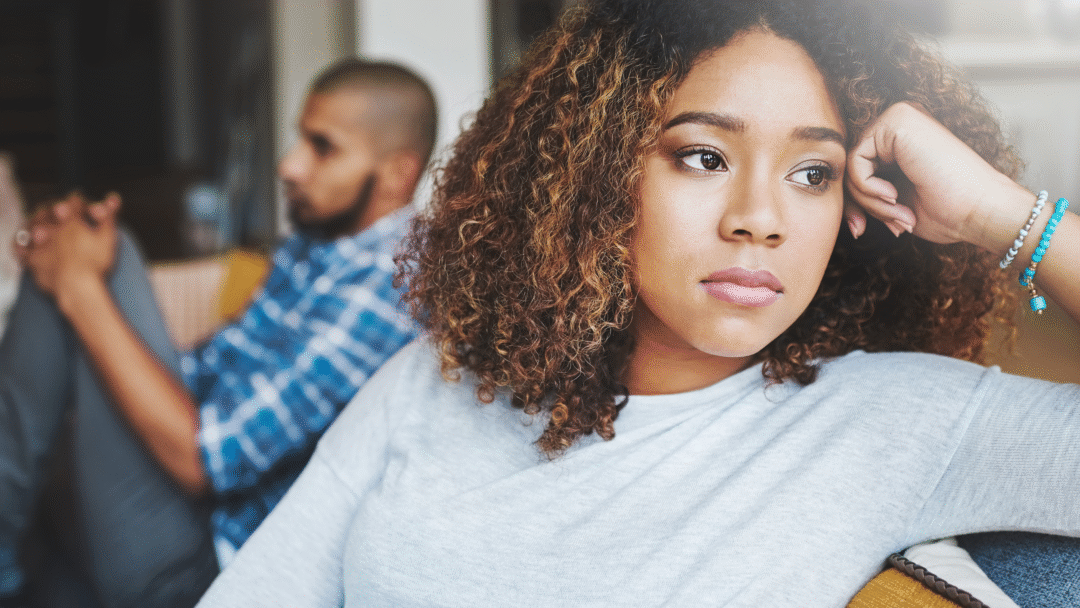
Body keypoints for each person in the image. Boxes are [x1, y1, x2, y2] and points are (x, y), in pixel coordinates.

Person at [196, 0, 1080, 606]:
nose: (760, 221)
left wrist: (1007, 215)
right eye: (704, 156)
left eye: (813, 173)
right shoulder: (431, 382)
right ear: (593, 171)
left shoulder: (903, 422)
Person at [0, 58, 437, 608]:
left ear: (399, 172)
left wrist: (82, 288)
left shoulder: (388, 289)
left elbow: (209, 461)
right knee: (92, 243)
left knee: (96, 265)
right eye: (301, 140)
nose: (290, 165)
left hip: (209, 559)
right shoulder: (319, 246)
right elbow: (202, 371)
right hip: (187, 507)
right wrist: (75, 274)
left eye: (322, 147)